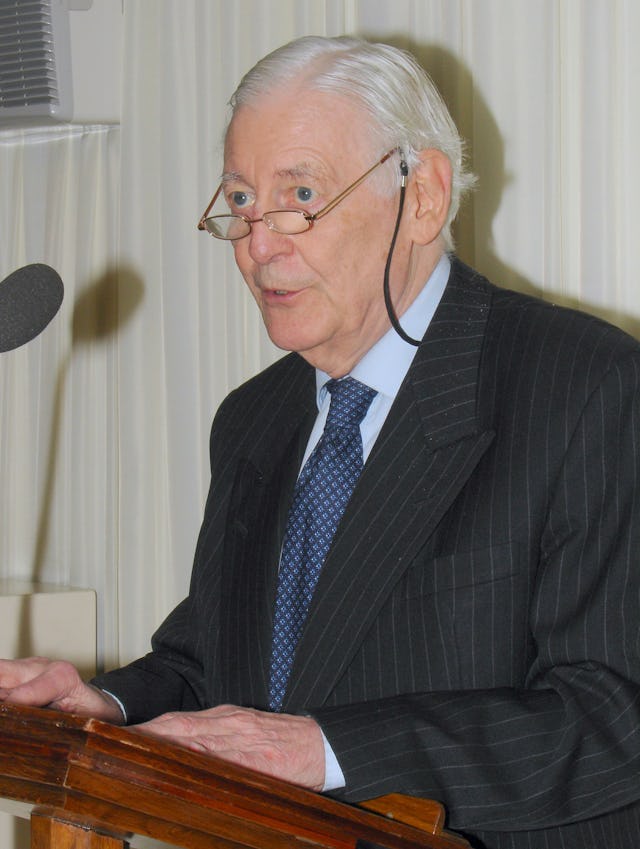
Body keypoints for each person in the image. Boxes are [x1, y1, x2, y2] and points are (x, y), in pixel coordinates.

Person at [1, 35, 639, 849]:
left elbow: (612, 712)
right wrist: (108, 704)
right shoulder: (252, 418)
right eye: (241, 200)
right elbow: (216, 663)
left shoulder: (585, 386)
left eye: (300, 194)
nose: (259, 243)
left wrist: (325, 749)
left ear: (423, 196)